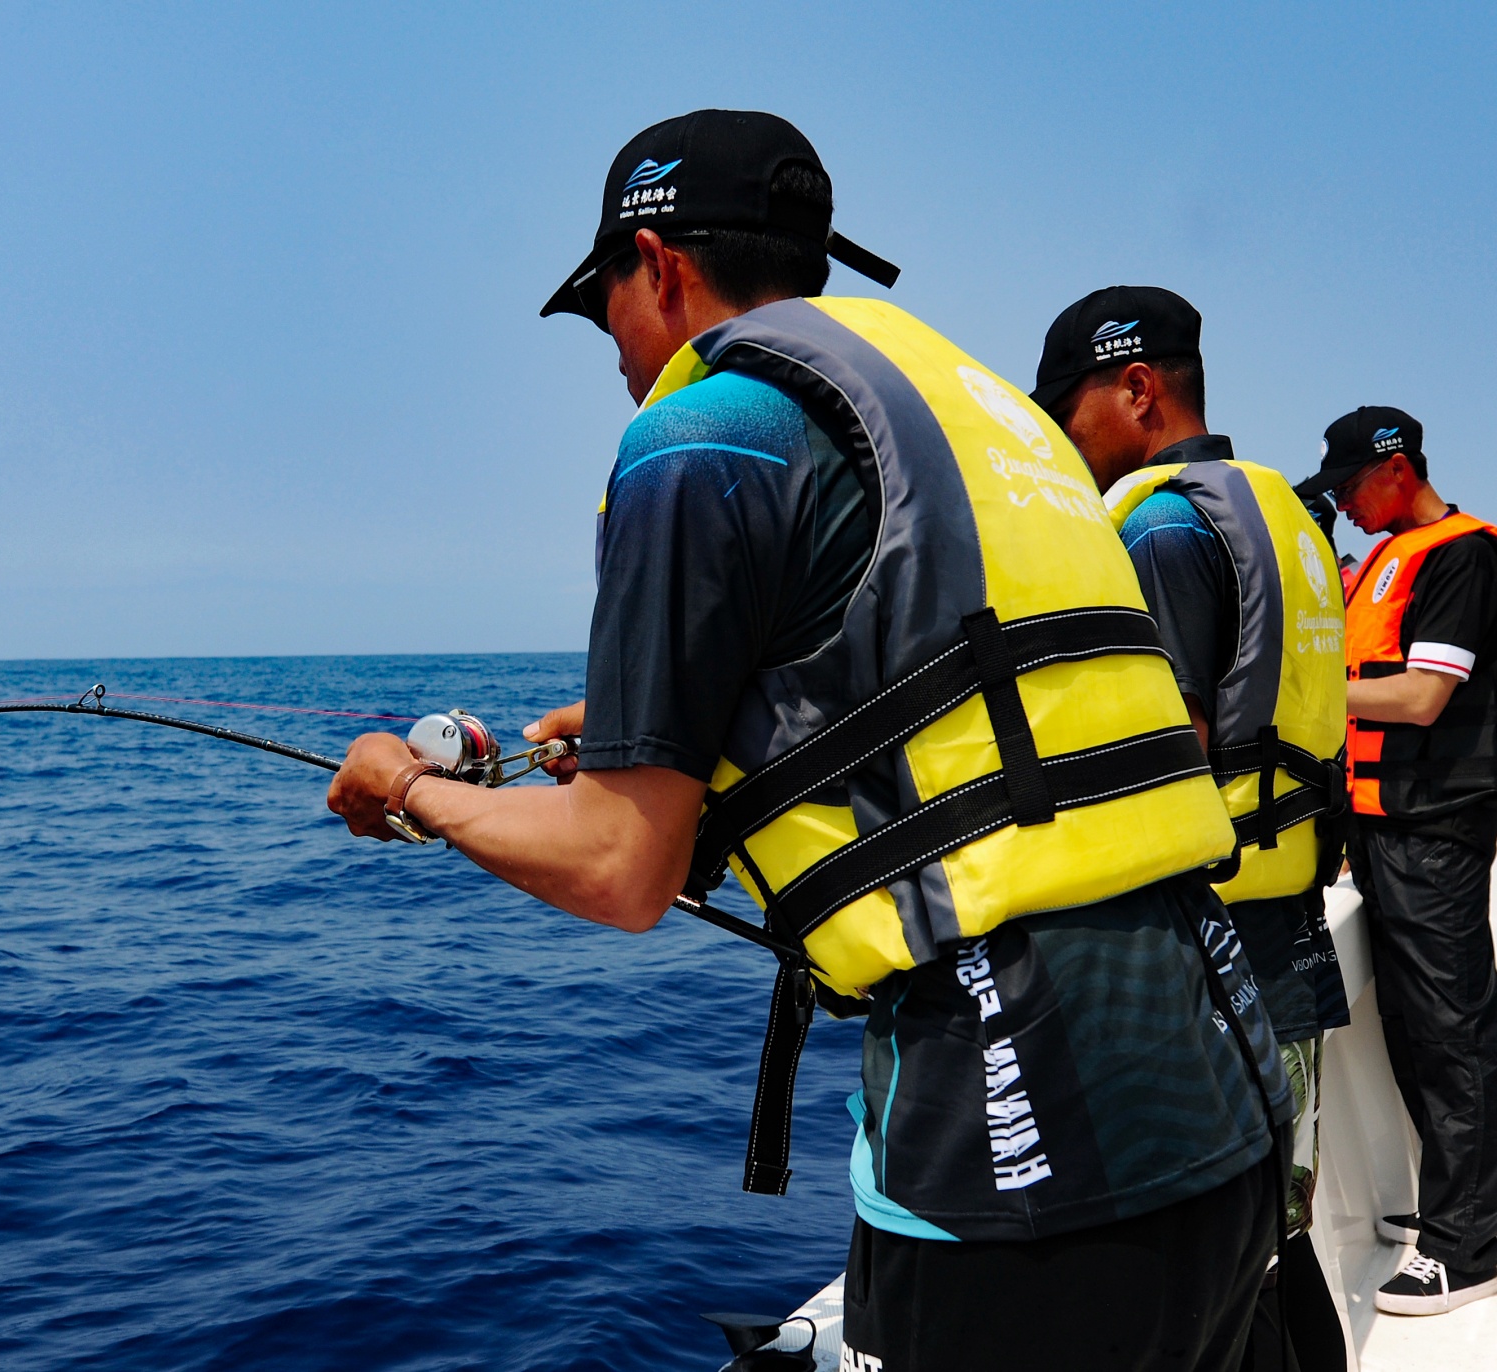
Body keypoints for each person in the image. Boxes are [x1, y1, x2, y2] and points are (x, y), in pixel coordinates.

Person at [327, 110, 1294, 1371]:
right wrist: (678, 742)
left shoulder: (697, 433)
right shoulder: (975, 410)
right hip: (1219, 1073)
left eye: (607, 297)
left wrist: (410, 789)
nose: (614, 347)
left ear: (658, 264)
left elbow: (624, 867)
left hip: (1025, 1151)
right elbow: (955, 714)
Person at [1032, 286, 1350, 1369]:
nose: (1066, 446)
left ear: (1136, 388)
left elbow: (1161, 745)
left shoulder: (1162, 525)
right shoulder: (1279, 512)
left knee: (1206, 1254)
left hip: (1209, 943)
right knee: (1277, 1229)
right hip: (1286, 912)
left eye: (1068, 414)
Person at [1297, 407, 1497, 1315]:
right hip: (1381, 835)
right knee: (1415, 1034)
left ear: (1399, 467)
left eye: (1349, 484)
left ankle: (1475, 1241)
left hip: (1438, 831)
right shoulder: (1380, 560)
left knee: (1454, 1034)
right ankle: (1456, 1210)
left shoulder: (1462, 556)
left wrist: (1302, 689)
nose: (1343, 500)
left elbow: (1419, 697)